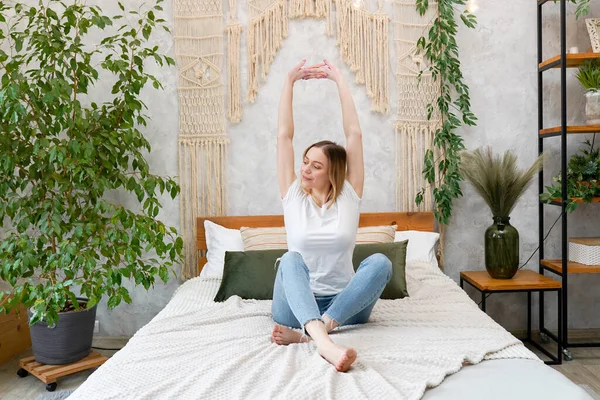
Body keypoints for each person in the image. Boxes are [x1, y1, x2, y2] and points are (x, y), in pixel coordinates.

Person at [271, 59, 393, 372]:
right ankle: (325, 344)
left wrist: (339, 81)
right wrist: (289, 82)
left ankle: (309, 336)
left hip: (345, 307)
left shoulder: (349, 197)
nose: (305, 169)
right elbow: (284, 136)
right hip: (295, 308)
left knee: (381, 263)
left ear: (332, 173)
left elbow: (354, 135)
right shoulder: (294, 195)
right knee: (289, 260)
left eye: (316, 166)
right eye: (305, 162)